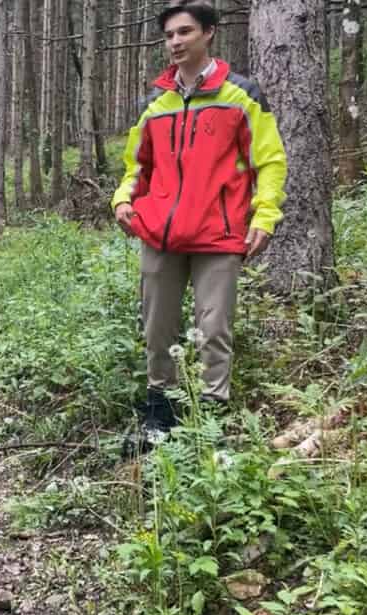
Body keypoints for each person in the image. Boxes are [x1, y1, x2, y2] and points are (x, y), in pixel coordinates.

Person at [111, 0, 287, 445]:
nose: (175, 42)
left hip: (219, 234)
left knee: (214, 330)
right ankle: (160, 417)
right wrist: (122, 200)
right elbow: (137, 165)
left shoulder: (242, 95)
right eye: (169, 35)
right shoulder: (155, 104)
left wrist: (264, 215)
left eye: (185, 32)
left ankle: (211, 422)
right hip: (160, 233)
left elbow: (270, 161)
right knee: (157, 328)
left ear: (209, 33)